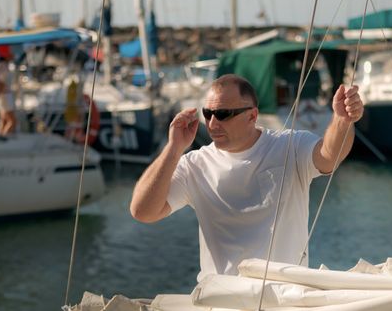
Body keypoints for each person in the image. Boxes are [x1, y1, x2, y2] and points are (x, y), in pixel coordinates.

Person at [130, 74, 364, 281]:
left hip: (285, 300)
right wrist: (174, 148)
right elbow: (143, 212)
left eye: (222, 114)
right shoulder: (194, 165)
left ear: (252, 116)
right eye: (208, 113)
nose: (212, 123)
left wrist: (343, 120)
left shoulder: (290, 146)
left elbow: (328, 157)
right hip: (222, 302)